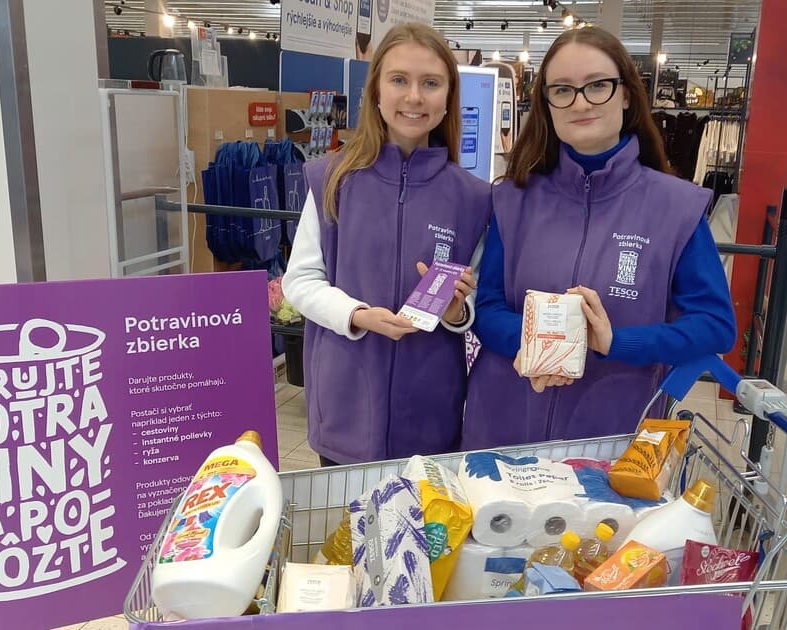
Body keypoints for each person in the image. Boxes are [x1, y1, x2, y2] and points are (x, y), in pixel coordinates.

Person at [462, 27, 737, 450]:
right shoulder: (512, 198)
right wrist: (540, 344)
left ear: (626, 94)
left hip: (613, 433)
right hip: (503, 422)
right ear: (547, 104)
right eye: (563, 90)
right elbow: (489, 306)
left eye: (597, 86)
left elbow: (715, 326)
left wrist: (617, 343)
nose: (581, 102)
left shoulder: (676, 207)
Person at [282, 23, 490, 465]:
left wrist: (457, 313)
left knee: (424, 533)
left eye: (430, 83)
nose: (414, 97)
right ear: (376, 90)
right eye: (399, 80)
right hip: (346, 402)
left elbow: (478, 296)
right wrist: (356, 315)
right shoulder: (332, 179)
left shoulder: (473, 197)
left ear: (448, 96)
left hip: (429, 411)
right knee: (345, 532)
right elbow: (300, 280)